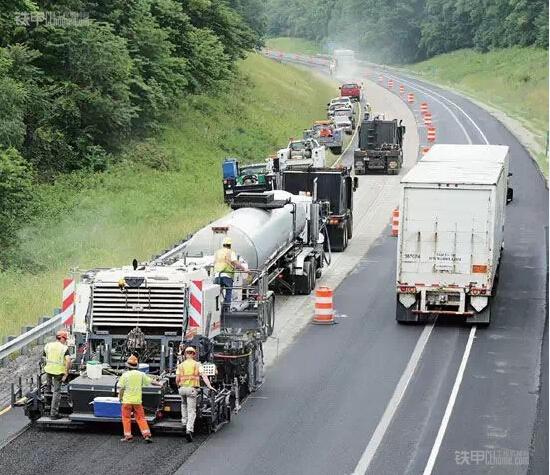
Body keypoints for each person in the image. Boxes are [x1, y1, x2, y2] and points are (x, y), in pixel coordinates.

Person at [118, 355, 162, 443]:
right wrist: (159, 384)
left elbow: (121, 388)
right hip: (137, 401)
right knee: (141, 418)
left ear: (127, 366)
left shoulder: (125, 375)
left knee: (126, 418)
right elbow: (151, 381)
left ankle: (128, 437)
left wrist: (120, 397)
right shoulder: (141, 374)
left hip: (126, 401)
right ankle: (146, 435)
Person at [176, 346, 215, 442]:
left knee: (183, 406)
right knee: (191, 411)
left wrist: (179, 386)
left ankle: (184, 424)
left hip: (182, 389)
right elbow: (204, 376)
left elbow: (177, 379)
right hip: (192, 390)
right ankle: (189, 430)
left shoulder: (180, 365)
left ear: (185, 354)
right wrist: (209, 386)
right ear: (194, 355)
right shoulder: (197, 365)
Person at [43, 329, 72, 419]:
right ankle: (53, 414)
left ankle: (46, 396)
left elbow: (44, 358)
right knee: (56, 392)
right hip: (58, 372)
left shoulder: (48, 345)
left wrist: (47, 367)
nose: (66, 341)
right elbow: (68, 360)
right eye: (65, 339)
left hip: (48, 370)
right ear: (62, 338)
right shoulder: (64, 348)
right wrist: (66, 373)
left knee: (48, 388)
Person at [213, 237, 246, 306]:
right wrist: (244, 268)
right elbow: (235, 262)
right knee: (228, 291)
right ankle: (227, 307)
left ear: (223, 244)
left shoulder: (217, 252)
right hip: (227, 275)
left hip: (217, 275)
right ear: (230, 245)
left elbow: (214, 262)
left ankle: (216, 307)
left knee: (217, 292)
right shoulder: (230, 252)